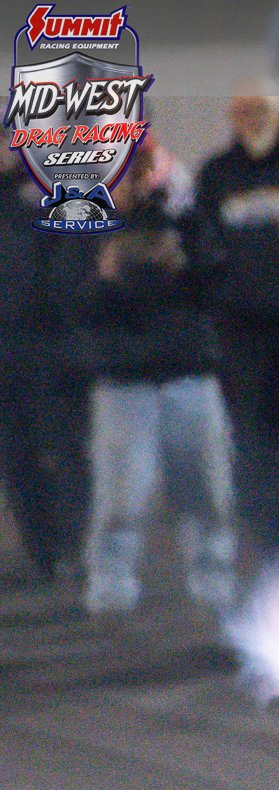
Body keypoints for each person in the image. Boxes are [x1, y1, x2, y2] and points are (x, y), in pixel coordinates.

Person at [80, 136, 237, 616]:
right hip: (124, 379)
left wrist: (183, 227)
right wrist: (106, 271)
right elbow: (71, 302)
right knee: (120, 499)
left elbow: (216, 280)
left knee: (206, 493)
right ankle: (111, 592)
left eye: (143, 166)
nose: (137, 178)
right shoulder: (85, 223)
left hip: (188, 371)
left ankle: (214, 586)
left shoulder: (184, 218)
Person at [197, 80, 279, 560]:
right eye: (242, 110)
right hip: (244, 335)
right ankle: (275, 547)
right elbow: (204, 253)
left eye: (260, 109)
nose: (251, 119)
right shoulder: (216, 174)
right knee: (255, 443)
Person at [0, 146, 90, 585]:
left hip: (54, 344)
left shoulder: (55, 188)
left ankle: (76, 545)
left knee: (66, 448)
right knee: (17, 456)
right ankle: (44, 552)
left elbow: (76, 262)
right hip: (8, 350)